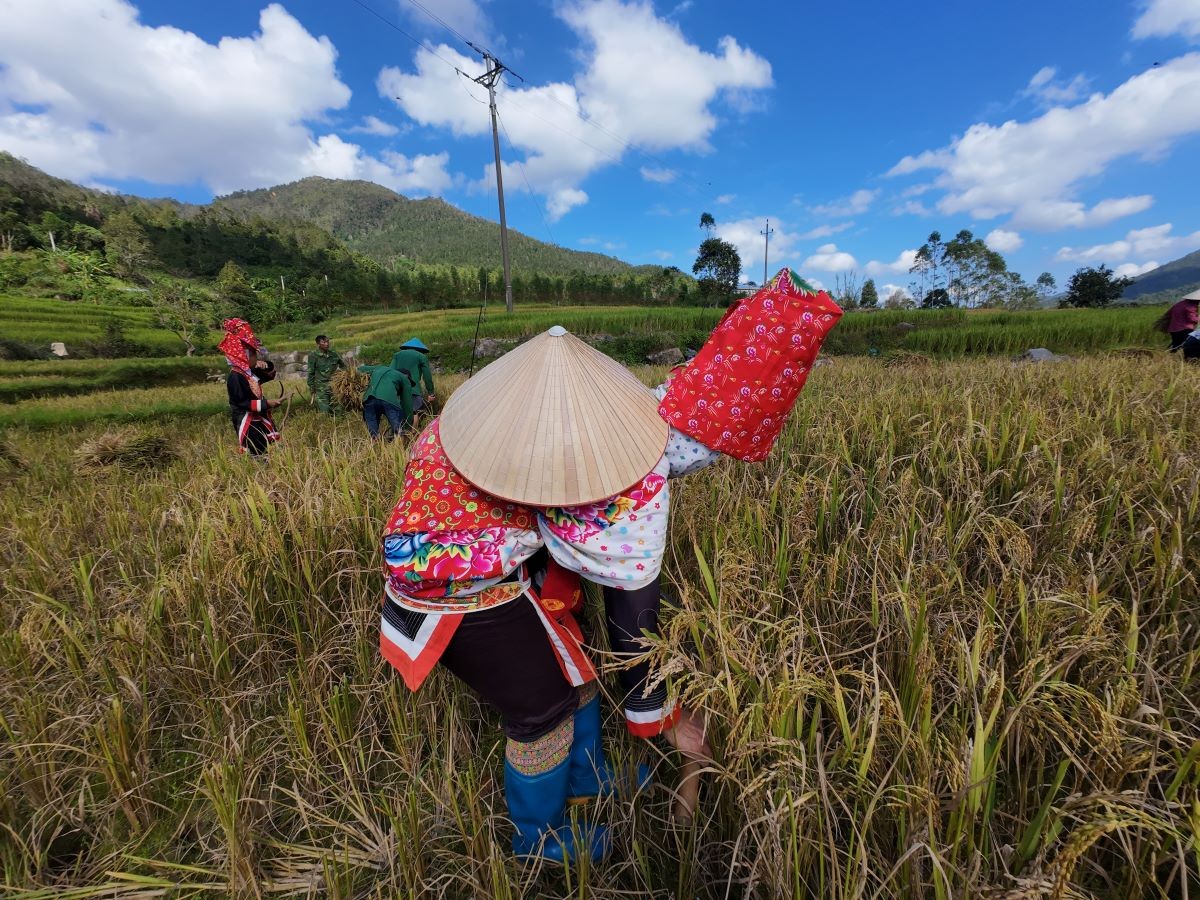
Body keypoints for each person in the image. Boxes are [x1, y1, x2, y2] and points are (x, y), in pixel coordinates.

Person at [219, 318, 284, 458]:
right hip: (246, 419)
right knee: (257, 449)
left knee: (263, 445)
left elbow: (269, 374)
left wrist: (266, 364)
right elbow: (242, 403)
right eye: (254, 354)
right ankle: (260, 472)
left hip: (257, 416)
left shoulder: (249, 372)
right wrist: (267, 404)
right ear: (245, 356)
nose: (257, 356)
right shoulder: (236, 377)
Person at [357, 362, 414, 440]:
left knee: (373, 434)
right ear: (407, 376)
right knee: (398, 430)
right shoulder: (404, 378)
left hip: (369, 399)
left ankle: (375, 446)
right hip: (389, 399)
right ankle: (400, 446)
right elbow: (407, 405)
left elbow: (359, 369)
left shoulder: (380, 368)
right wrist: (408, 426)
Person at [390, 338, 436, 413]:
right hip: (413, 390)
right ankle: (413, 425)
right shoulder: (421, 356)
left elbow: (390, 372)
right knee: (414, 413)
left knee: (399, 414)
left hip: (396, 390)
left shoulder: (397, 355)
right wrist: (431, 393)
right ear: (421, 350)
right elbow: (427, 376)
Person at [307, 334, 345, 414]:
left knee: (339, 409)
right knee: (325, 411)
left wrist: (344, 377)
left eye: (327, 341)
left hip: (335, 385)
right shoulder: (313, 356)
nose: (327, 344)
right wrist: (312, 387)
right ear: (318, 344)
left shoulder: (334, 354)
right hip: (321, 388)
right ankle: (326, 425)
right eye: (324, 342)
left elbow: (344, 367)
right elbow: (310, 373)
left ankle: (338, 424)